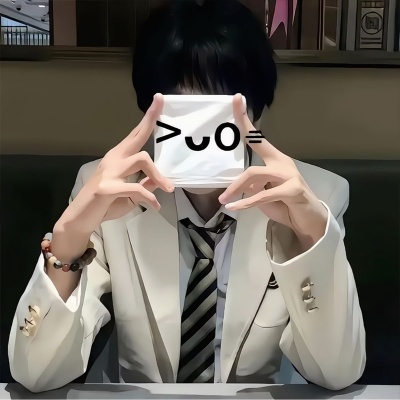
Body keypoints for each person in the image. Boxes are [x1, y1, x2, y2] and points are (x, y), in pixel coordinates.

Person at [8, 0, 366, 393]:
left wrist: (312, 239)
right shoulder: (108, 191)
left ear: (254, 112)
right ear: (152, 112)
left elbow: (337, 373)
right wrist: (68, 240)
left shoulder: (314, 195)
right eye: (181, 109)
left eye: (217, 109)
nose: (198, 132)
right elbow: (35, 375)